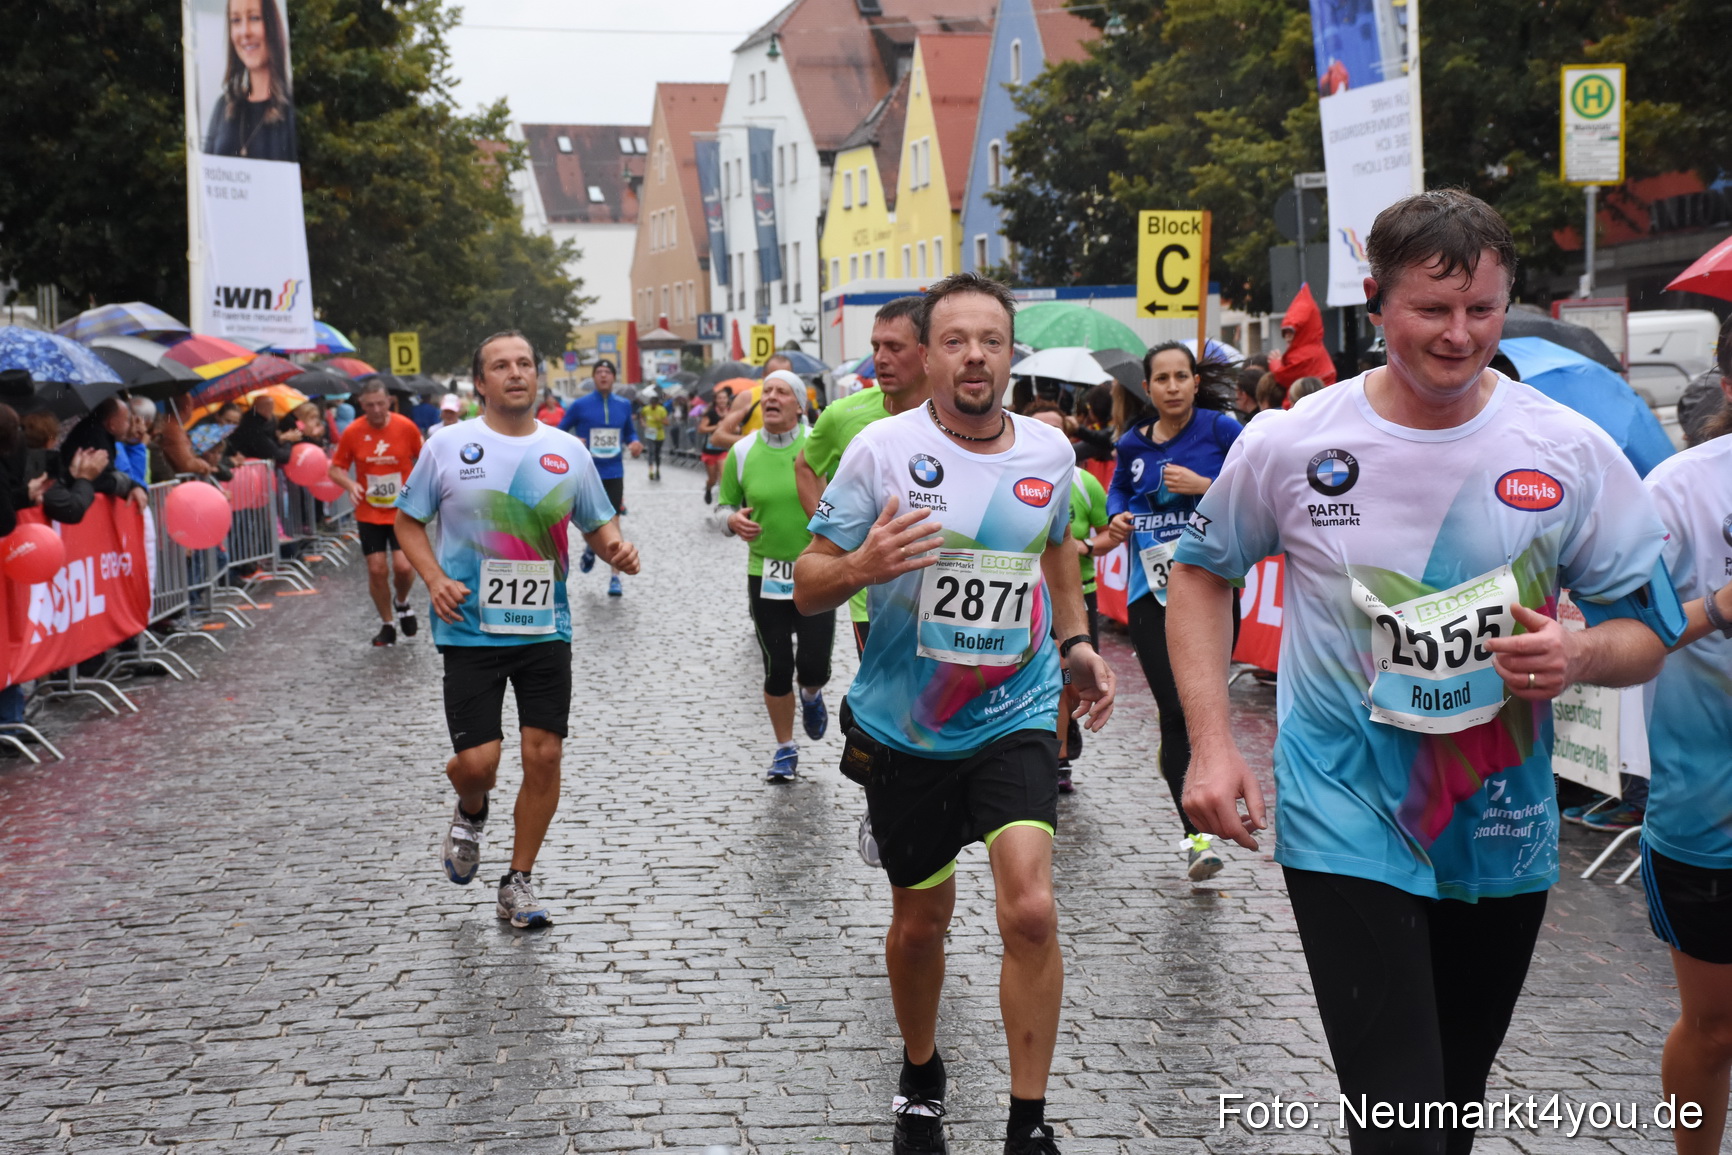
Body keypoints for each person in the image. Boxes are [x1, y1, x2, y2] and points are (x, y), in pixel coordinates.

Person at [1168, 190, 1684, 1155]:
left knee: (1449, 1106)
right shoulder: (1292, 440)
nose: (1459, 335)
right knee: (1397, 1114)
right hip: (1343, 814)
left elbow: (1648, 633)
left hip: (1499, 821)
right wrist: (1210, 743)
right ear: (1376, 304)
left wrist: (1576, 653)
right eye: (1432, 310)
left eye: (1482, 310)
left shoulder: (1566, 450)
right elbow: (1200, 574)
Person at [795, 272, 1116, 1155]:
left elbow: (1059, 557)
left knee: (1031, 909)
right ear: (929, 354)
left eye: (992, 340)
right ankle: (921, 1068)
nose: (975, 355)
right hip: (908, 725)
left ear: (1011, 354)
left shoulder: (1052, 456)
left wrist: (1078, 642)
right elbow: (806, 581)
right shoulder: (880, 451)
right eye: (956, 340)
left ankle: (1027, 1121)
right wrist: (862, 564)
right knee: (921, 921)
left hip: (1015, 709)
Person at [395, 330, 638, 929]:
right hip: (470, 629)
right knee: (478, 763)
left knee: (544, 755)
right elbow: (406, 522)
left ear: (538, 376)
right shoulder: (448, 445)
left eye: (525, 363)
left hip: (543, 629)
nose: (515, 373)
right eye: (501, 366)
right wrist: (433, 579)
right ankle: (470, 808)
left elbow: (598, 527)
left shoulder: (567, 452)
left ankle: (517, 880)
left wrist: (616, 552)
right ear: (480, 383)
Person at [795, 295, 931, 864]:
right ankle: (886, 799)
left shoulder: (970, 422)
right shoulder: (849, 418)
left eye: (892, 347)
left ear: (926, 353)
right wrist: (840, 537)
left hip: (952, 605)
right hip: (872, 596)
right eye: (875, 346)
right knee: (895, 701)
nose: (879, 358)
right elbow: (806, 464)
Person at [1102, 343, 1243, 879]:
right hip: (1150, 594)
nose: (1173, 387)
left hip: (1213, 589)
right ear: (1148, 386)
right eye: (1162, 378)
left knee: (1204, 706)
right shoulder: (1131, 444)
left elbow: (1255, 487)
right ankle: (1197, 837)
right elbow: (1119, 490)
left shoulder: (1220, 430)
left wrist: (1205, 486)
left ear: (1195, 380)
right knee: (1175, 711)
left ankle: (1213, 789)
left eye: (1182, 376)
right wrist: (1118, 519)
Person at [1638, 380, 1732, 1155]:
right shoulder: (1681, 486)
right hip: (1710, 812)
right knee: (1718, 1027)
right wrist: (1722, 608)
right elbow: (1623, 634)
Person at [718, 371, 834, 779]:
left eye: (782, 392)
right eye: (766, 391)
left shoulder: (820, 446)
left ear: (799, 405)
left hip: (818, 569)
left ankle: (812, 692)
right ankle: (785, 748)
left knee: (815, 662)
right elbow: (723, 506)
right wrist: (731, 520)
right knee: (777, 664)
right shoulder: (744, 452)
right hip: (765, 573)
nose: (771, 398)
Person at [1026, 403, 1122, 793]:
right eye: (1041, 432)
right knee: (1049, 680)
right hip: (1030, 602)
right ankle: (1058, 760)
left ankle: (1063, 738)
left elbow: (1108, 535)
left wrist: (1082, 546)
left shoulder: (1084, 483)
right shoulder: (1010, 478)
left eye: (1058, 432)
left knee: (1068, 681)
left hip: (1076, 599)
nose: (1051, 440)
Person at [329, 379, 425, 646]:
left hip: (402, 512)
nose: (376, 410)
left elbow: (427, 458)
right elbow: (334, 469)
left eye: (381, 404)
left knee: (404, 568)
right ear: (361, 405)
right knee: (376, 569)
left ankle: (402, 601)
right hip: (369, 512)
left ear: (389, 402)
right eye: (370, 405)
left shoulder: (405, 427)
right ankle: (387, 624)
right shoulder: (353, 432)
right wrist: (350, 484)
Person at [559, 360, 642, 596]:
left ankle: (615, 578)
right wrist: (575, 442)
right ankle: (591, 546)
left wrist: (634, 442)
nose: (603, 376)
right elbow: (560, 431)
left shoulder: (624, 405)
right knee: (589, 519)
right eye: (599, 372)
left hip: (613, 472)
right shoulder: (580, 405)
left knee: (613, 522)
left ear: (614, 377)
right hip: (587, 472)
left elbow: (629, 432)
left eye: (608, 372)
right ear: (594, 378)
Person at [202, 0, 298, 162]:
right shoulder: (222, 107)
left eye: (254, 18)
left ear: (272, 25)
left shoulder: (292, 110)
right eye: (236, 20)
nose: (244, 32)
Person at [708, 352, 799, 451]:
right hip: (754, 463)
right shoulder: (748, 397)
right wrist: (753, 441)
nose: (780, 381)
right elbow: (717, 437)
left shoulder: (798, 400)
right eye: (774, 376)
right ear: (763, 375)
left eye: (785, 376)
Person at [1267, 283, 1337, 393]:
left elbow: (1283, 376)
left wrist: (1275, 363)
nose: (1287, 337)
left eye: (1291, 331)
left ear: (1303, 331)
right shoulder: (1312, 349)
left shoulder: (1305, 354)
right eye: (1285, 332)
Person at [698, 386, 734, 504]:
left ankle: (723, 502)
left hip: (724, 449)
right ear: (716, 400)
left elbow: (738, 427)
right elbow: (702, 429)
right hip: (710, 450)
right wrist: (716, 426)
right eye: (720, 398)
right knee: (712, 479)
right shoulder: (711, 413)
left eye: (724, 398)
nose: (722, 400)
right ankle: (708, 489)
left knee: (723, 476)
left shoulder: (732, 412)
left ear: (728, 399)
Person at [638, 389, 669, 481]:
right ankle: (651, 471)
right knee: (651, 451)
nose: (653, 406)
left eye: (654, 405)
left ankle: (658, 470)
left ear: (657, 404)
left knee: (657, 453)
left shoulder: (662, 410)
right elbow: (641, 416)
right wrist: (643, 423)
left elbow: (667, 422)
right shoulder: (646, 409)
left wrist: (659, 419)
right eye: (652, 404)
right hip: (650, 432)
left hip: (659, 433)